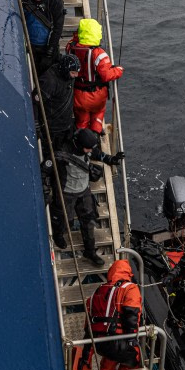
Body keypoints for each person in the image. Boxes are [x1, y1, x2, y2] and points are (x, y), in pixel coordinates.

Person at [48, 128, 124, 266]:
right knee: (65, 221)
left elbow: (98, 154)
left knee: (89, 222)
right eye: (87, 149)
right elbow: (45, 169)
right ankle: (58, 234)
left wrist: (111, 159)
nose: (90, 151)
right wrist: (46, 188)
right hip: (66, 193)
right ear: (78, 145)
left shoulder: (87, 149)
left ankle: (90, 251)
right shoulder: (61, 154)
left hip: (84, 191)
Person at [80, 259, 142, 370]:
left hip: (99, 344)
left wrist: (86, 354)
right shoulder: (130, 288)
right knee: (134, 359)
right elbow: (132, 315)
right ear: (128, 273)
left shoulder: (97, 291)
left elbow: (88, 326)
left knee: (110, 354)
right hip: (117, 343)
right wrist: (132, 341)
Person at [66, 18, 124, 135]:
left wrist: (77, 36)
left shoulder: (70, 48)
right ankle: (95, 134)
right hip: (96, 96)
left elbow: (73, 41)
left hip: (78, 95)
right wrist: (118, 70)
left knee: (81, 120)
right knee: (98, 114)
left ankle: (81, 138)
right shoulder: (99, 54)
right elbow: (106, 75)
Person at [20, 0, 65, 73]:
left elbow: (58, 28)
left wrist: (50, 51)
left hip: (47, 47)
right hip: (29, 46)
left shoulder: (54, 0)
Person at [36, 54, 80, 147]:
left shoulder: (69, 77)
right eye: (73, 72)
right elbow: (35, 102)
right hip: (52, 129)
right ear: (65, 70)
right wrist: (36, 123)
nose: (76, 76)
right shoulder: (49, 81)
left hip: (66, 124)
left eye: (77, 72)